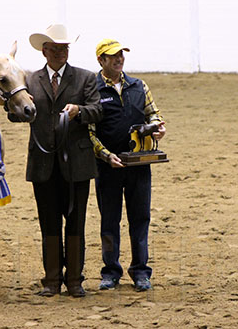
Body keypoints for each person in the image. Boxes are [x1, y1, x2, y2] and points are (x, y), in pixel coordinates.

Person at [10, 24, 103, 297]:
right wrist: (19, 111)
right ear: (44, 51)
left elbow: (98, 110)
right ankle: (51, 281)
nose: (62, 52)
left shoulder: (85, 78)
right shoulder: (29, 80)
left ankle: (74, 281)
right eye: (56, 48)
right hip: (42, 164)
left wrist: (79, 111)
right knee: (49, 223)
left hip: (77, 164)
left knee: (75, 223)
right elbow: (15, 112)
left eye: (65, 48)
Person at [89, 39, 166, 292]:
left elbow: (153, 114)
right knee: (109, 221)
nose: (119, 59)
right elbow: (89, 132)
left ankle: (141, 271)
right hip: (108, 168)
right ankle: (110, 272)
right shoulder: (93, 90)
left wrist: (157, 129)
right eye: (112, 56)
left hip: (140, 166)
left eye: (121, 55)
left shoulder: (139, 86)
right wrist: (105, 155)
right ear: (101, 60)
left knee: (140, 219)